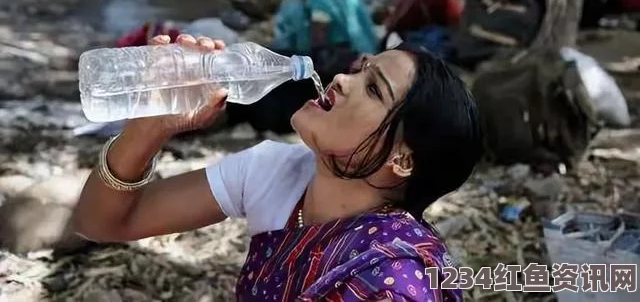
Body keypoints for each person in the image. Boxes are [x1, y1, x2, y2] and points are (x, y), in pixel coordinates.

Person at [73, 33, 483, 301]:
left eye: (373, 89)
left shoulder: (392, 283)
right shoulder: (274, 170)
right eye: (360, 69)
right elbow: (101, 223)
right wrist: (152, 125)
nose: (341, 79)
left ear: (403, 159)